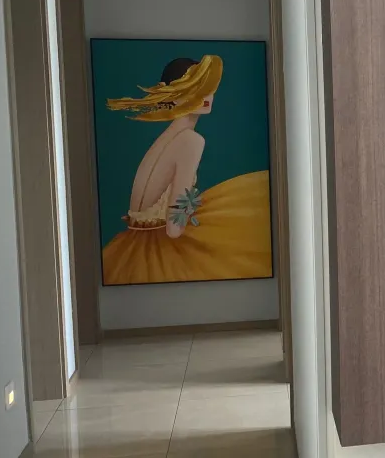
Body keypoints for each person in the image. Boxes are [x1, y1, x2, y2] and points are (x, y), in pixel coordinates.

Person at [102, 54, 271, 285]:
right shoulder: (190, 141)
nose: (205, 96)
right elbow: (174, 228)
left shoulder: (166, 138)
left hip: (128, 247)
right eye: (192, 89)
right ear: (174, 96)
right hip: (158, 251)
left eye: (207, 87)